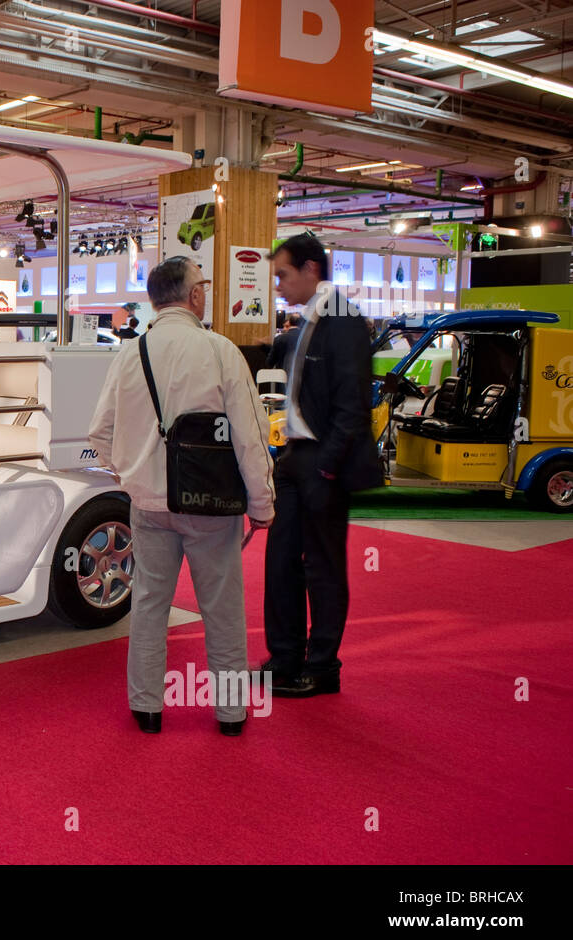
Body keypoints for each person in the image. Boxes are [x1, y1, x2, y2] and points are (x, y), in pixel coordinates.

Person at [88, 256, 275, 736]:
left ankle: (146, 707)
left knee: (149, 604)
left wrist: (131, 473)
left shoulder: (129, 354)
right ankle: (230, 713)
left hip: (148, 506)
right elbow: (249, 437)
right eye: (204, 287)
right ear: (194, 296)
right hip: (210, 505)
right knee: (223, 609)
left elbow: (100, 433)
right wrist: (262, 504)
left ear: (154, 299)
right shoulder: (219, 351)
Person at [262, 233, 382, 698]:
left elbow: (353, 405)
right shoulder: (306, 322)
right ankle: (286, 658)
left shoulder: (345, 322)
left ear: (311, 269)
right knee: (281, 564)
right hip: (295, 457)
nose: (278, 285)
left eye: (283, 275)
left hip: (323, 462)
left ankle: (322, 667)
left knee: (323, 569)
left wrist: (327, 468)